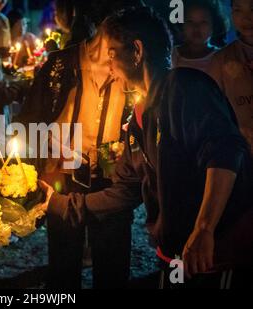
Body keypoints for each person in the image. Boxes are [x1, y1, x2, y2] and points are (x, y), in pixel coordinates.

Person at [39, 6, 253, 289]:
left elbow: (226, 150)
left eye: (113, 55)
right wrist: (60, 204)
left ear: (137, 51)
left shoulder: (184, 88)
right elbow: (125, 189)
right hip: (178, 254)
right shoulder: (140, 118)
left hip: (219, 251)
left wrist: (205, 228)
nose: (111, 70)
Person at [23, 0, 145, 290]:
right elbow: (30, 119)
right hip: (63, 179)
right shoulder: (61, 64)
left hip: (113, 183)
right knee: (63, 273)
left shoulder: (134, 69)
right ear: (103, 21)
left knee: (113, 271)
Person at [209, 0, 253, 155]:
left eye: (252, 9)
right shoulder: (221, 60)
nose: (246, 18)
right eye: (238, 10)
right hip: (243, 154)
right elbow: (214, 112)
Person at [172, 0, 227, 73]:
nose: (196, 27)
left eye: (203, 22)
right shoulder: (173, 55)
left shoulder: (222, 57)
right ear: (182, 24)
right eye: (190, 21)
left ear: (214, 25)